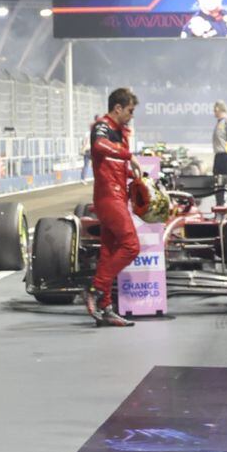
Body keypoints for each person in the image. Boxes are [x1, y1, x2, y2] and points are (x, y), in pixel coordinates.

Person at [84, 88, 142, 328]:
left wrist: (133, 174)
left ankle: (106, 308)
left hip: (116, 196)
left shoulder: (119, 131)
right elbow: (98, 148)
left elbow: (113, 165)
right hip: (109, 198)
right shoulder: (102, 126)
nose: (131, 116)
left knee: (109, 252)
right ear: (118, 108)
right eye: (129, 110)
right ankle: (96, 289)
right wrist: (129, 156)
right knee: (131, 246)